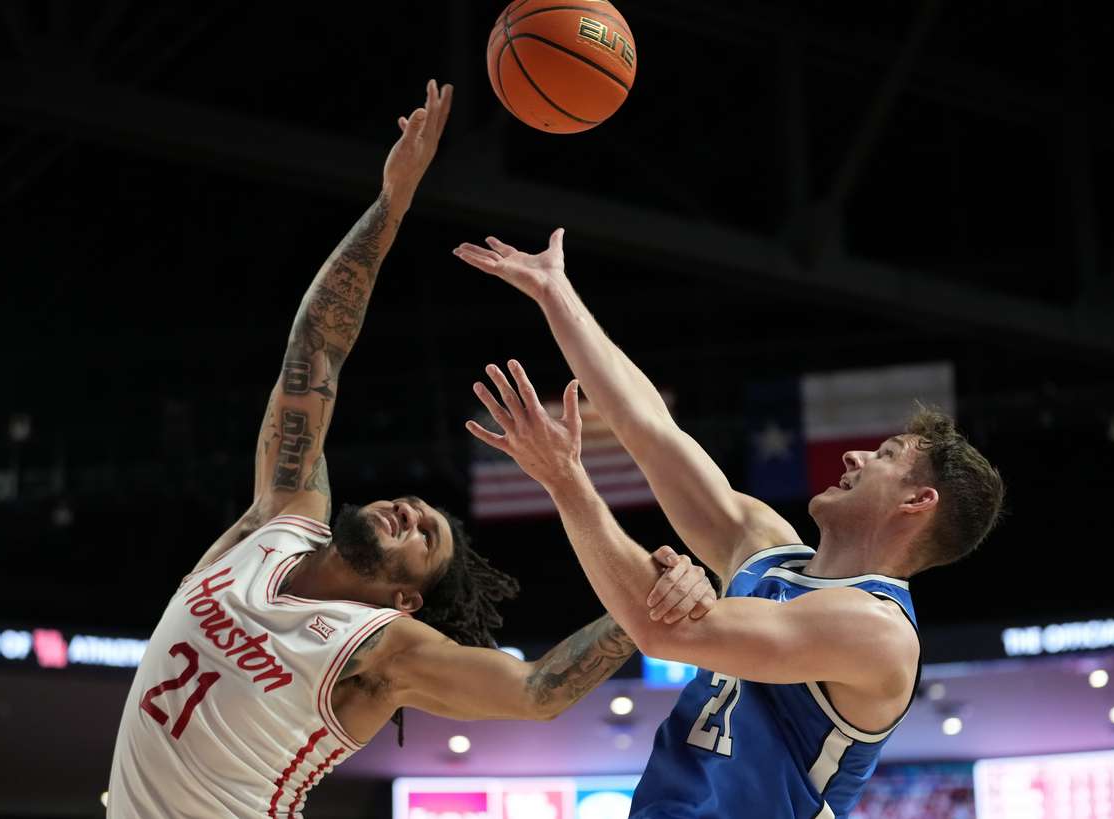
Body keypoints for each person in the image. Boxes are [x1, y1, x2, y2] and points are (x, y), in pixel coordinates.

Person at [107, 82, 716, 819]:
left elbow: (536, 691)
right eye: (423, 510)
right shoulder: (278, 515)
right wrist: (391, 202)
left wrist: (647, 602)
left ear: (405, 599)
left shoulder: (383, 650)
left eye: (425, 537)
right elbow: (316, 351)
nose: (413, 511)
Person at [453, 229, 1005, 818]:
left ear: (917, 503)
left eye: (886, 455)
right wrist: (555, 293)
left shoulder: (879, 632)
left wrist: (566, 481)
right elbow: (649, 428)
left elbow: (661, 630)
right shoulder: (766, 547)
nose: (855, 457)